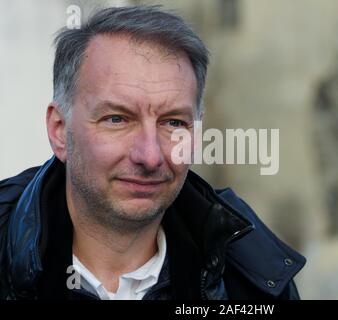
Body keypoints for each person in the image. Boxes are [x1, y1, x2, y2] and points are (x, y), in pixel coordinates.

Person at [0, 5, 305, 300]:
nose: (150, 156)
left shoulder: (251, 280)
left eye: (173, 122)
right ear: (59, 130)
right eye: (117, 119)